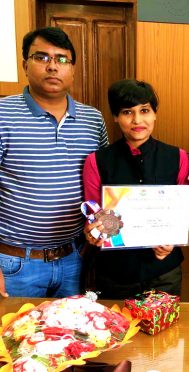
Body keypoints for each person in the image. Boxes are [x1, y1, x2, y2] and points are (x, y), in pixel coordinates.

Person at [0, 27, 108, 298]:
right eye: (41, 57)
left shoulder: (93, 120)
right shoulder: (3, 114)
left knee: (72, 336)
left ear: (72, 69)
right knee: (16, 337)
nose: (52, 66)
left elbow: (105, 185)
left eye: (61, 59)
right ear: (25, 64)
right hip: (15, 264)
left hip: (74, 259)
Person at [82, 79, 189, 299]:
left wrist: (172, 241)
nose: (137, 120)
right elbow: (93, 216)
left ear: (155, 114)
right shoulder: (97, 161)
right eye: (127, 112)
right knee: (117, 331)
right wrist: (93, 231)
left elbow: (184, 213)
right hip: (116, 273)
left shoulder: (177, 157)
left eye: (144, 110)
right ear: (115, 117)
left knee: (165, 331)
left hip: (164, 271)